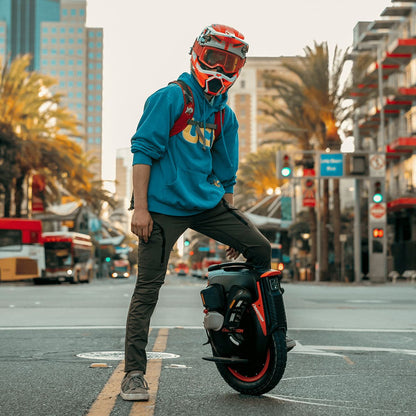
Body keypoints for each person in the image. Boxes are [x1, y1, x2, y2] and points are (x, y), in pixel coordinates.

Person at [121, 24, 295, 401]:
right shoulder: (170, 97)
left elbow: (226, 174)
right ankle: (134, 373)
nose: (220, 69)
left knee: (260, 249)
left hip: (206, 205)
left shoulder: (224, 116)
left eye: (230, 62)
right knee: (148, 289)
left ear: (238, 69)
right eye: (214, 58)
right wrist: (141, 209)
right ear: (197, 55)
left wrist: (233, 226)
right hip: (163, 210)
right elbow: (142, 152)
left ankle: (249, 328)